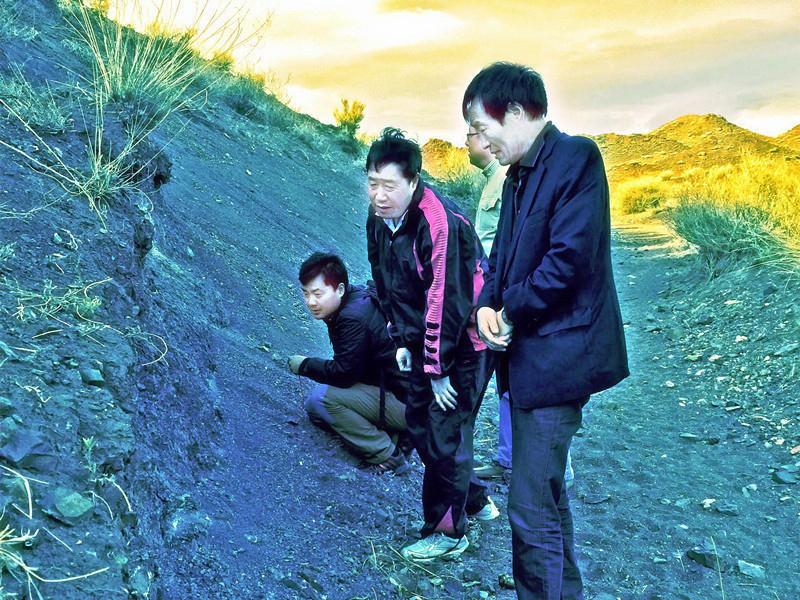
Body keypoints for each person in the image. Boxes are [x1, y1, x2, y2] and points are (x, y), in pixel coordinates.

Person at [463, 63, 629, 599]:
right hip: (528, 363)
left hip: (560, 362)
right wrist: (485, 308)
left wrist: (508, 313)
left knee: (529, 506)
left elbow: (568, 261)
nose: (480, 140)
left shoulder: (576, 158)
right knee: (547, 500)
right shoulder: (516, 176)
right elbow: (499, 259)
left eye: (482, 126)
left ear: (515, 111)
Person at [365, 128, 498, 563]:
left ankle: (448, 533)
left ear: (413, 180)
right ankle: (473, 499)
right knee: (421, 423)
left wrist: (437, 369)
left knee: (445, 431)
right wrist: (401, 338)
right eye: (372, 183)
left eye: (389, 185)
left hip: (466, 340)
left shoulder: (439, 223)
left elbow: (447, 298)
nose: (379, 195)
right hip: (427, 338)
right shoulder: (379, 218)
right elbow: (385, 280)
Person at [466, 129, 574, 488]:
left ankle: (557, 469)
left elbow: (533, 251)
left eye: (473, 132)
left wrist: (508, 307)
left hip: (519, 300)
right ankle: (509, 458)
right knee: (508, 384)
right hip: (499, 296)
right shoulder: (500, 179)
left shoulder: (508, 178)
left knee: (534, 390)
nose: (467, 141)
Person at [287, 252, 411, 474]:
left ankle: (387, 454)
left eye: (318, 294)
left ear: (340, 289)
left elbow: (344, 374)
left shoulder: (352, 318)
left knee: (320, 400)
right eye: (305, 294)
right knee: (316, 410)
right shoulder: (356, 299)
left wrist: (305, 365)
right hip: (406, 394)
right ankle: (396, 433)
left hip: (408, 404)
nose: (310, 302)